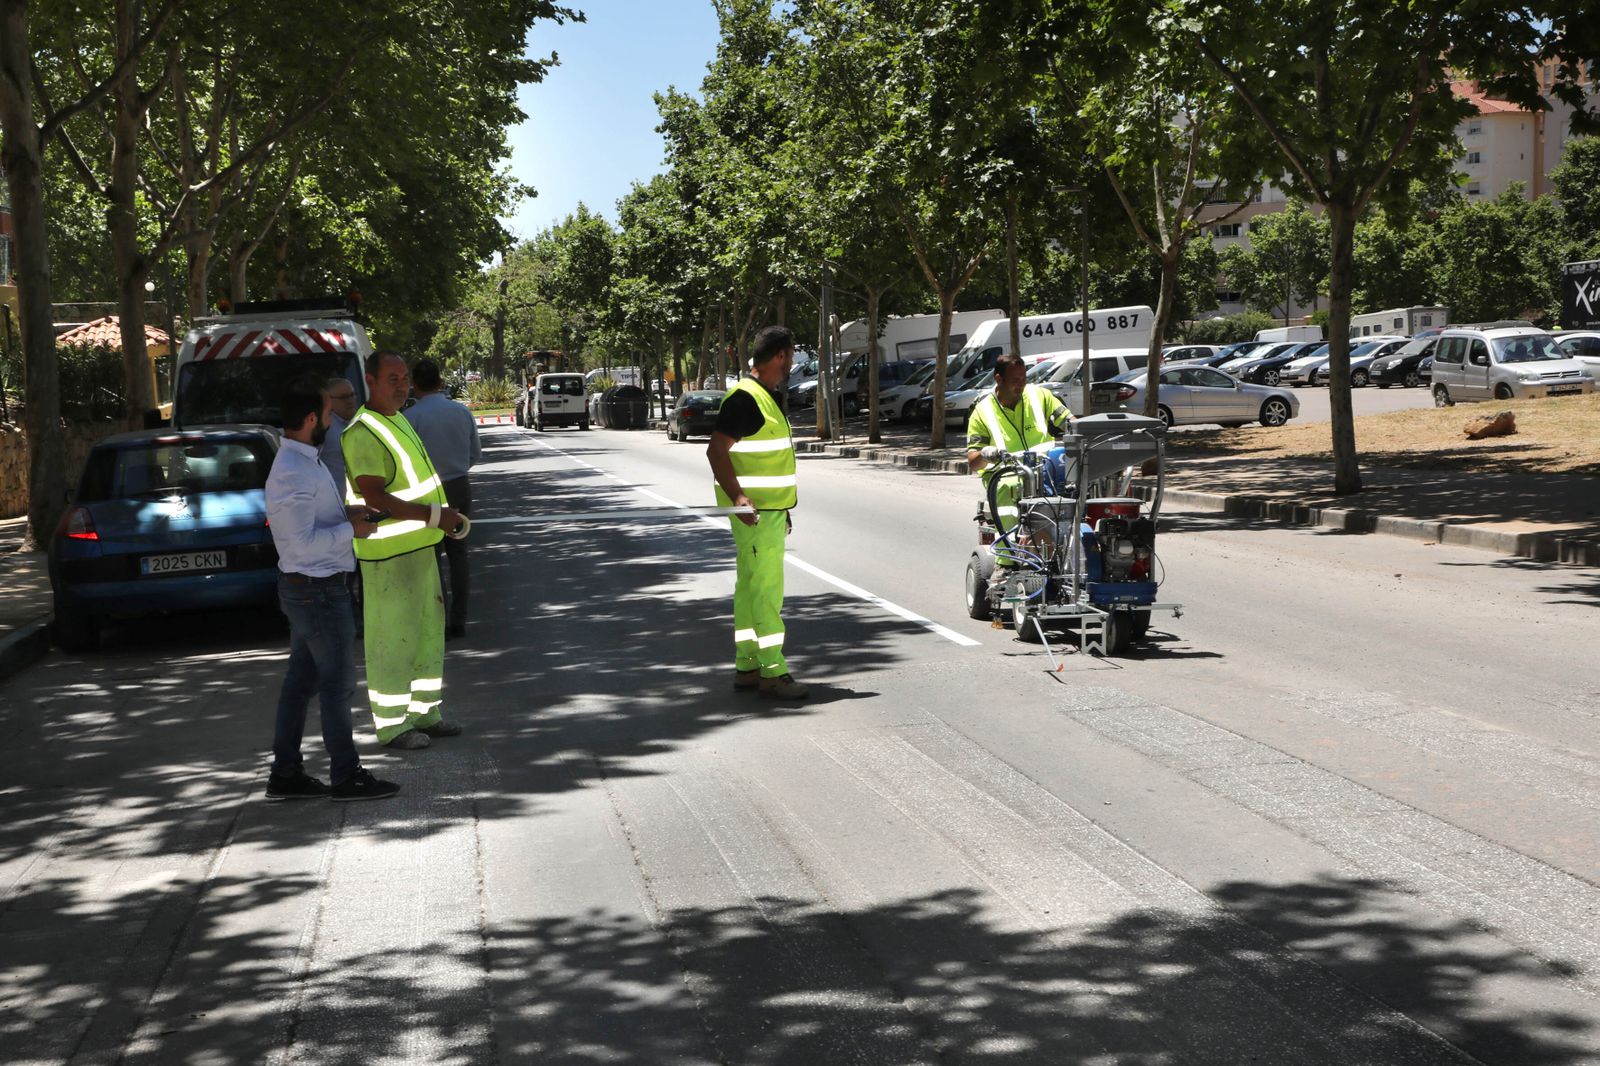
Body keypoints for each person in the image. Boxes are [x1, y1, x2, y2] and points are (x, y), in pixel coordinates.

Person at [264, 376, 400, 802]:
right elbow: (301, 544)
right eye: (327, 413)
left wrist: (347, 512)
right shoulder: (293, 471)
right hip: (317, 590)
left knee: (301, 684)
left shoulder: (307, 459)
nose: (333, 418)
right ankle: (346, 774)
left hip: (314, 589)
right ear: (310, 419)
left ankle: (286, 773)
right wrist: (351, 529)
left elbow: (312, 523)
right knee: (337, 686)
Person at [341, 351, 466, 749]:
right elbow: (376, 498)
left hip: (417, 550)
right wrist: (436, 517)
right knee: (392, 644)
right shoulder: (364, 430)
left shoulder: (395, 420)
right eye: (391, 378)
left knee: (427, 637)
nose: (401, 385)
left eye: (405, 377)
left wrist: (437, 520)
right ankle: (393, 725)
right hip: (389, 558)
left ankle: (425, 713)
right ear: (370, 380)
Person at [707, 326, 808, 701]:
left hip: (765, 513)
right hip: (756, 515)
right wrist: (739, 497)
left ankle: (748, 666)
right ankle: (773, 672)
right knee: (767, 592)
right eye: (791, 356)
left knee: (749, 590)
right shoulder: (747, 398)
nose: (791, 364)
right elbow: (716, 451)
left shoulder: (759, 396)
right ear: (780, 355)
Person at [966, 352, 1072, 581]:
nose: (1021, 385)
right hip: (1005, 474)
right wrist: (987, 454)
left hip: (1047, 469)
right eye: (1015, 381)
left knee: (1081, 484)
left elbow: (1069, 422)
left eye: (1024, 379)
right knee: (1010, 488)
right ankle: (1005, 562)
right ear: (998, 379)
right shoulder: (982, 412)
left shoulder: (1040, 396)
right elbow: (973, 460)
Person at [402, 358, 482, 640]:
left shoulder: (410, 418)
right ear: (440, 381)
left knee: (430, 556)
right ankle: (459, 619)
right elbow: (475, 453)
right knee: (459, 555)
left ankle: (438, 617)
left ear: (414, 385)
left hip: (425, 491)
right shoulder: (460, 412)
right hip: (458, 485)